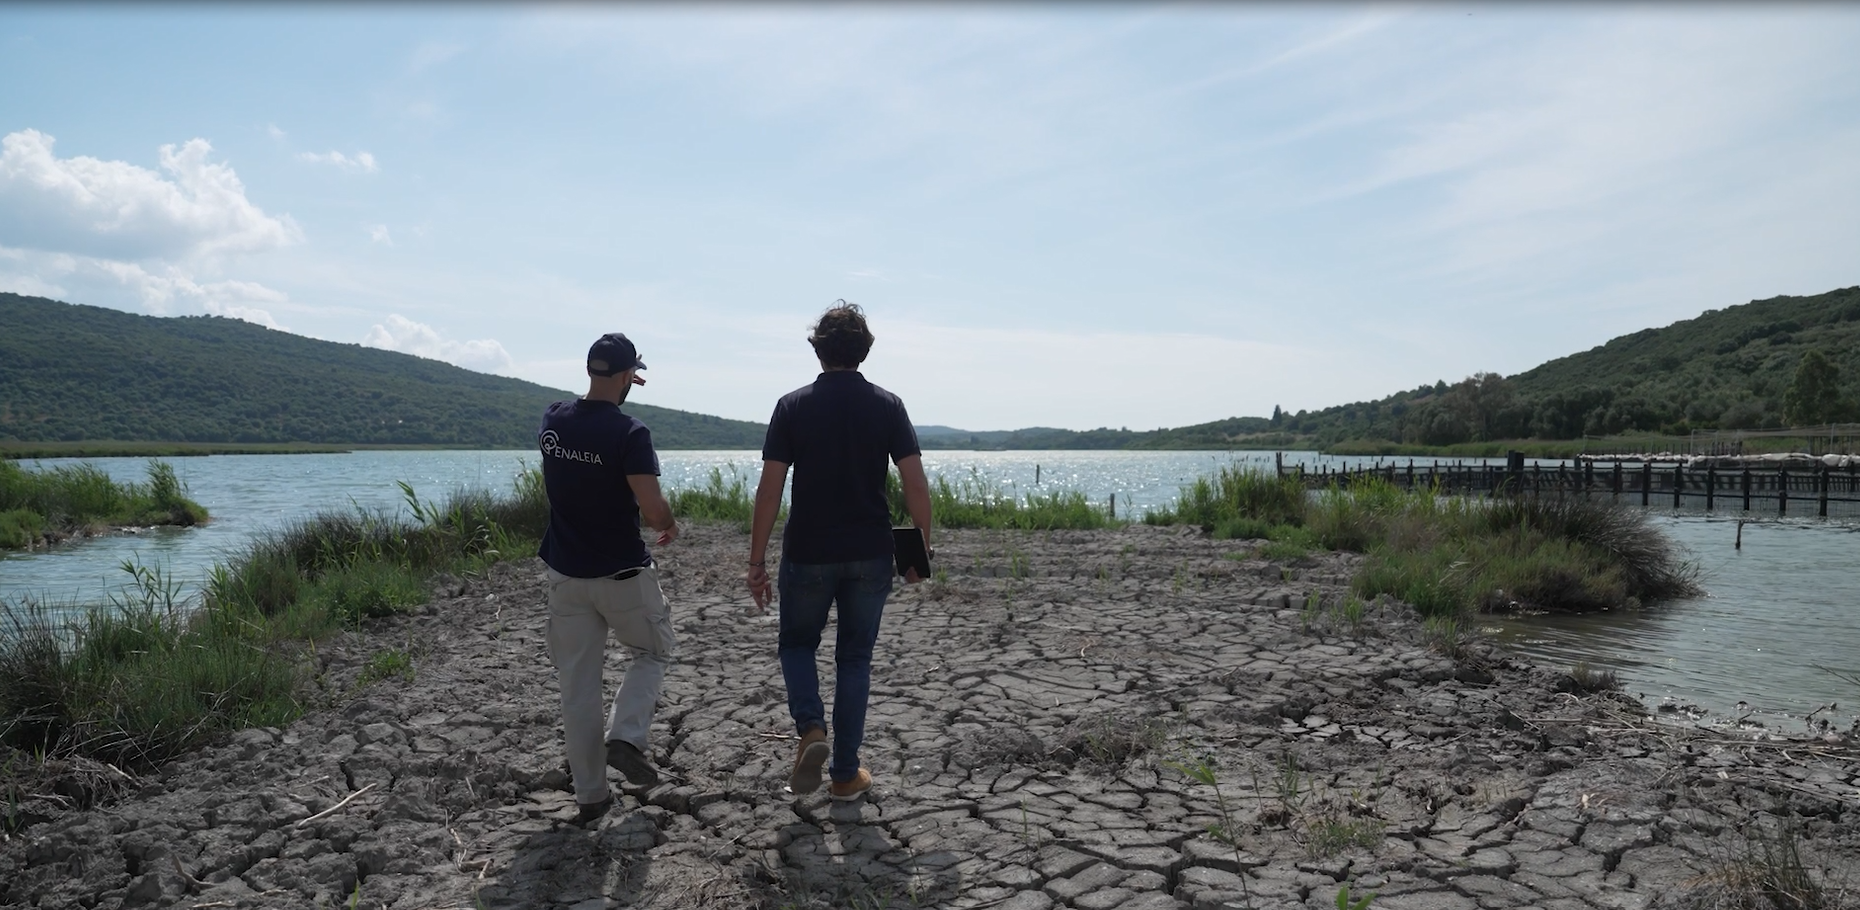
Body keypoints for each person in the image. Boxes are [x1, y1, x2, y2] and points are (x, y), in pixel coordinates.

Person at [747, 303, 933, 802]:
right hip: (870, 552)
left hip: (808, 551)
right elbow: (915, 483)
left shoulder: (792, 406)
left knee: (796, 645)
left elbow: (769, 490)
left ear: (818, 350)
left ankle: (811, 727)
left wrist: (756, 561)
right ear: (864, 350)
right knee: (854, 658)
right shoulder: (888, 405)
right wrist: (918, 552)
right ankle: (845, 775)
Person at [537, 332, 680, 826]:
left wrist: (614, 383)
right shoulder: (630, 433)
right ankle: (626, 737)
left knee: (578, 686)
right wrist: (668, 523)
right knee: (652, 652)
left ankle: (591, 796)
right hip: (621, 573)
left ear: (589, 369)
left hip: (565, 573)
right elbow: (652, 508)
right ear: (627, 375)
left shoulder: (553, 419)